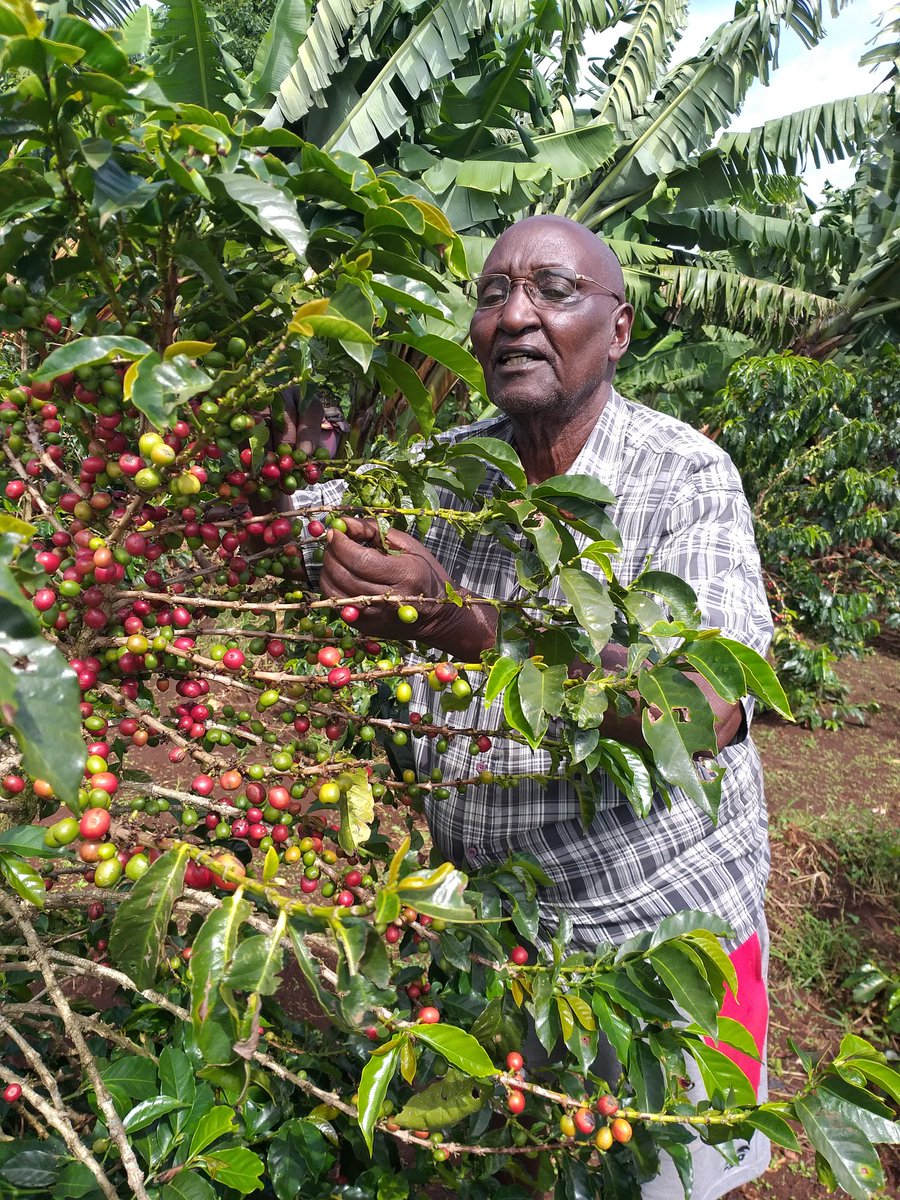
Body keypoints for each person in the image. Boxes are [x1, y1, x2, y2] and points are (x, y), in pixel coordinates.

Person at [296, 215, 774, 1199]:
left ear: (621, 328)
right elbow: (331, 556)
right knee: (514, 1170)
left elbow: (700, 711)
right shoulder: (456, 469)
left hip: (659, 946)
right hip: (497, 941)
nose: (515, 314)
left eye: (553, 291)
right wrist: (309, 483)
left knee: (663, 1175)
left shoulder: (683, 477)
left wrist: (470, 626)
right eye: (491, 293)